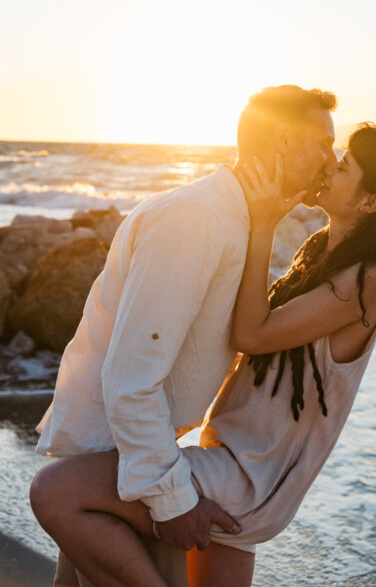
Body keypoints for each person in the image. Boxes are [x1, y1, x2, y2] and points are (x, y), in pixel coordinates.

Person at [31, 123, 376, 587]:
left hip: (250, 476)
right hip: (232, 457)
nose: (330, 165)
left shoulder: (368, 280)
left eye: (345, 166)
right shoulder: (320, 253)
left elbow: (252, 331)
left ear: (370, 202)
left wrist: (264, 223)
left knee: (58, 491)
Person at [33, 85, 338, 587]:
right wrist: (172, 500)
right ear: (283, 139)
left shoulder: (236, 219)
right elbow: (132, 378)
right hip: (127, 465)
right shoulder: (197, 220)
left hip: (134, 460)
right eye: (324, 144)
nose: (332, 159)